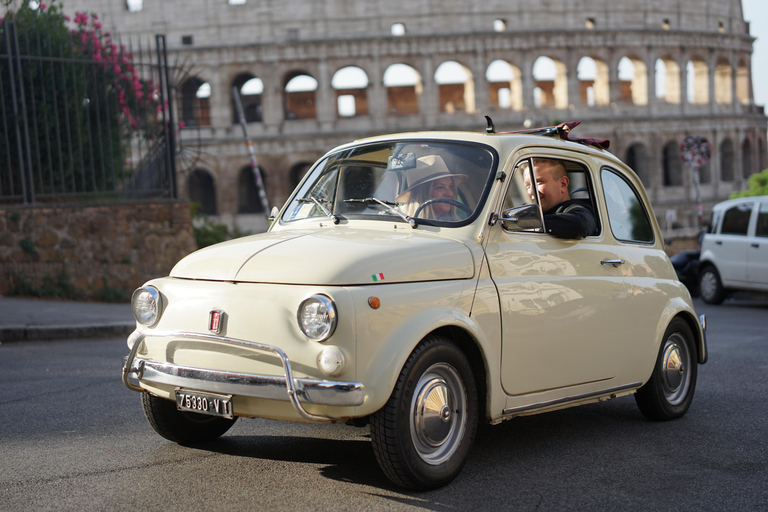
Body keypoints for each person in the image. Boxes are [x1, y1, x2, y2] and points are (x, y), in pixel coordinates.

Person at [524, 158, 596, 239]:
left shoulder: (578, 211)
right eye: (527, 186)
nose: (530, 191)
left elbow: (581, 224)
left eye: (538, 182)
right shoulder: (526, 212)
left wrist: (528, 223)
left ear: (563, 184)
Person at [396, 155, 468, 221]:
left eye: (451, 187)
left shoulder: (459, 226)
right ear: (422, 194)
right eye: (440, 187)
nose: (450, 194)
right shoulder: (397, 224)